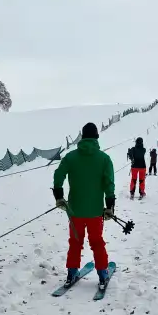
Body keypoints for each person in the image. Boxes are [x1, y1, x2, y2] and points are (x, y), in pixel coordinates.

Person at [52, 122, 115, 290]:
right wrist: (110, 206)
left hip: (74, 211)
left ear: (82, 137)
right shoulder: (104, 159)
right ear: (96, 137)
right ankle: (102, 275)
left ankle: (72, 273)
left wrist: (59, 196)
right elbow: (109, 184)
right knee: (97, 243)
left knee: (75, 242)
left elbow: (58, 176)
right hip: (95, 212)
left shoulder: (70, 157)